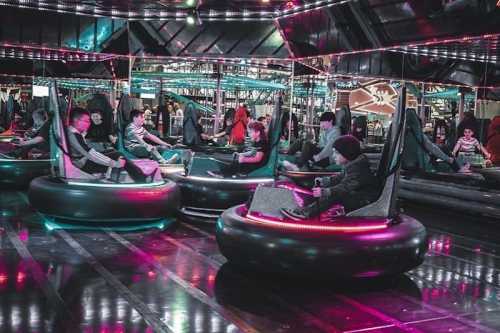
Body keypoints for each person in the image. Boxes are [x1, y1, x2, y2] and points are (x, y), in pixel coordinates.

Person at [281, 135, 380, 220]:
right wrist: (325, 181)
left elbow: (344, 187)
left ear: (347, 153)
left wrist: (325, 191)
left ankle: (304, 213)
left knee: (333, 195)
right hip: (359, 195)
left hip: (365, 200)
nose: (333, 156)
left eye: (336, 153)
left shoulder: (358, 168)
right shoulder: (352, 164)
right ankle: (304, 209)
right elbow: (340, 177)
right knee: (328, 192)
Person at [68, 108, 126, 175]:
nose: (88, 124)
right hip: (83, 163)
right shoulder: (74, 134)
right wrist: (114, 163)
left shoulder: (74, 132)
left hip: (86, 158)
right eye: (86, 121)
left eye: (89, 121)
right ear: (75, 120)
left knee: (115, 153)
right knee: (118, 157)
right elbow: (89, 153)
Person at [403, 108, 460, 173]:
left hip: (404, 165)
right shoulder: (419, 136)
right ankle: (458, 169)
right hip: (420, 165)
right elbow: (433, 149)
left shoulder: (400, 135)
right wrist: (448, 159)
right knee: (443, 149)